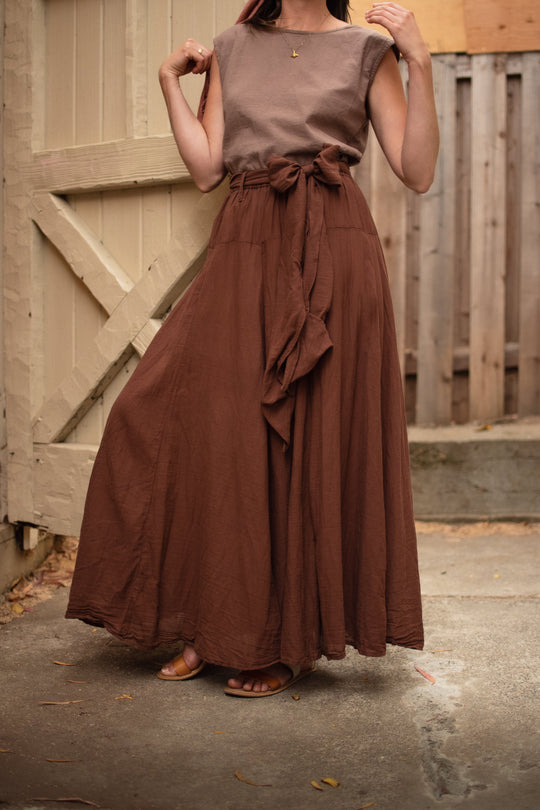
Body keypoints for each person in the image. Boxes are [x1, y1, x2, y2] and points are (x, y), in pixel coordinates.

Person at [66, 0, 439, 697]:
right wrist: (167, 84)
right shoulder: (232, 46)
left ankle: (280, 641)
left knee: (309, 442)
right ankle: (211, 625)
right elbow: (208, 168)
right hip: (247, 240)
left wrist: (417, 58)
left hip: (334, 246)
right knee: (190, 426)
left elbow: (416, 170)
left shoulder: (367, 50)